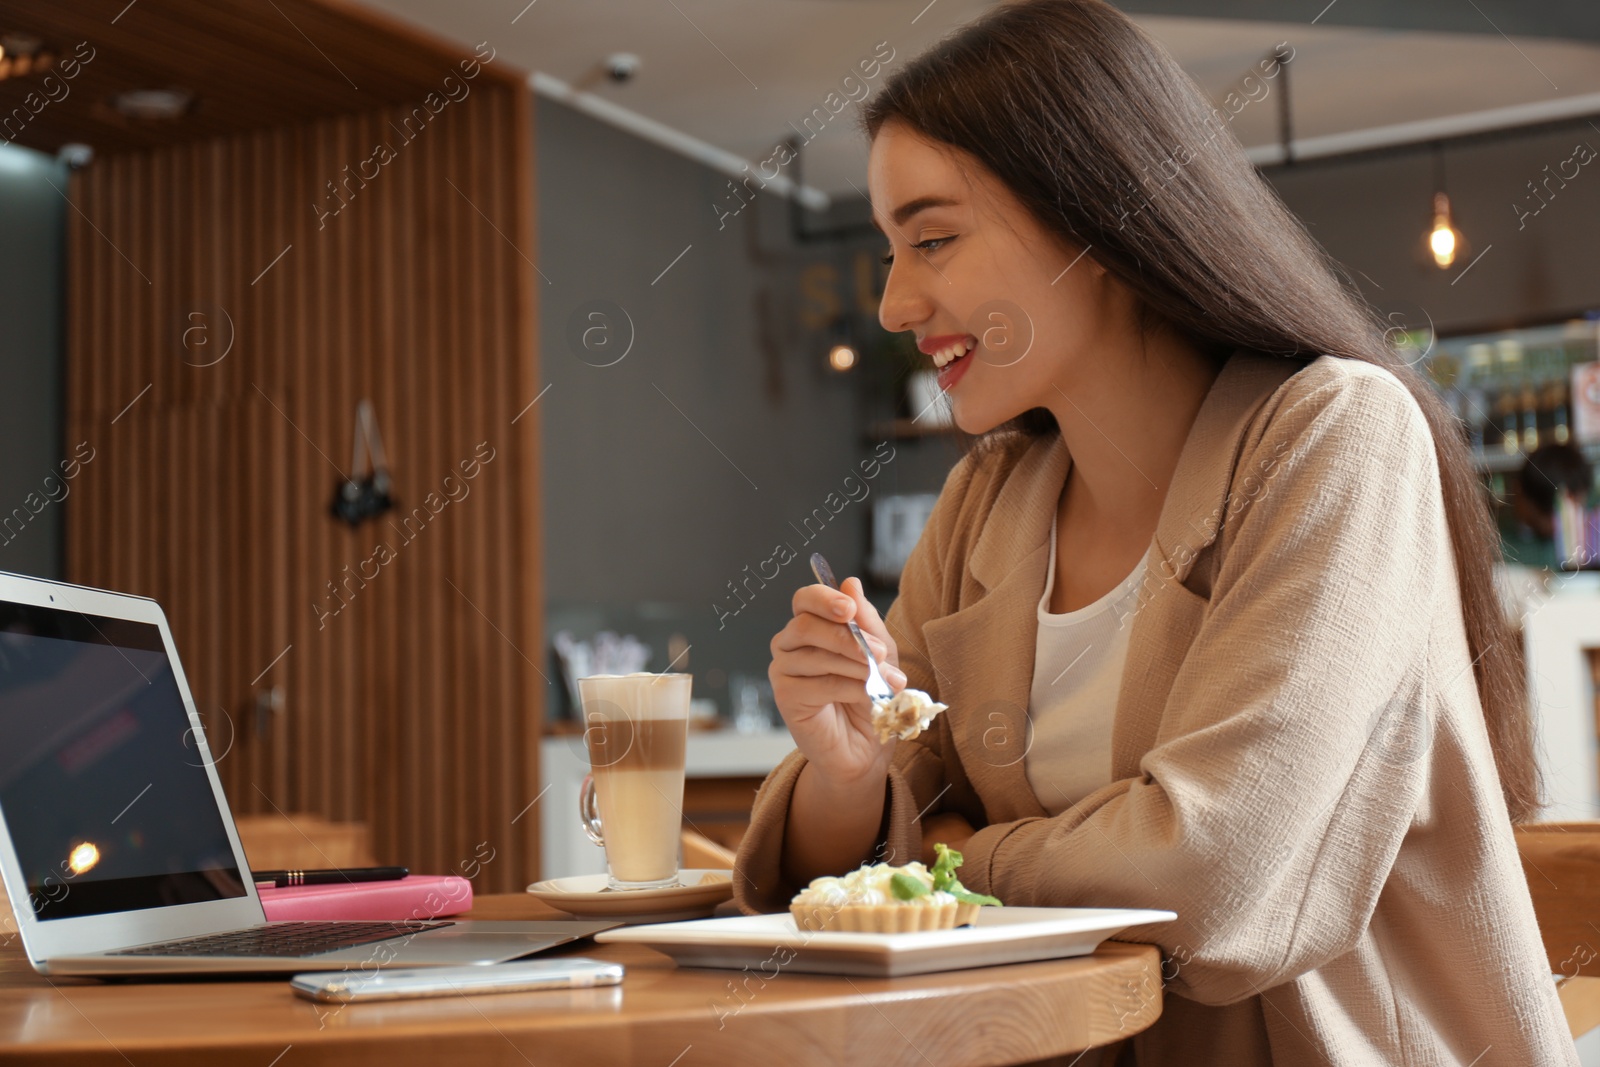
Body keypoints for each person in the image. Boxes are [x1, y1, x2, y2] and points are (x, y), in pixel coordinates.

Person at [731, 2, 1577, 1064]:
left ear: (1095, 217)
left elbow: (1211, 874)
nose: (898, 301)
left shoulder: (1331, 435)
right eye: (892, 250)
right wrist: (851, 776)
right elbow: (845, 878)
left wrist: (946, 855)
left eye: (934, 239)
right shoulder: (985, 504)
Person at [1506, 442, 1594, 570]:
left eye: (1576, 507)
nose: (1561, 524)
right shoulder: (1502, 549)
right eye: (1557, 512)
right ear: (1520, 495)